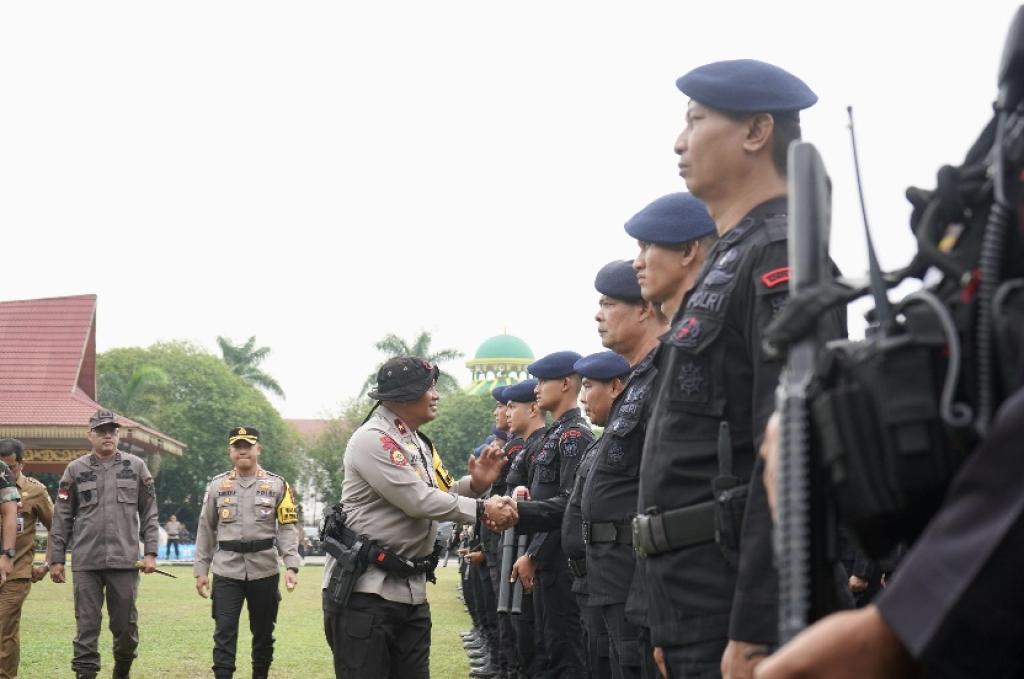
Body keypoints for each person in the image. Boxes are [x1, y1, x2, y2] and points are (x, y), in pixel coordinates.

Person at [637, 59, 846, 679]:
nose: (680, 141)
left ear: (757, 131)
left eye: (697, 121)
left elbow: (789, 455)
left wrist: (756, 623)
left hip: (736, 597)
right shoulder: (732, 259)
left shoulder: (780, 256)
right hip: (693, 596)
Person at [322, 356, 506, 679]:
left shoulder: (416, 441)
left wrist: (475, 485)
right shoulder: (373, 439)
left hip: (409, 592)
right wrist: (480, 509)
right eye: (429, 388)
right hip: (365, 595)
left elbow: (440, 492)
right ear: (404, 397)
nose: (435, 395)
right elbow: (417, 500)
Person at [48, 409, 159, 679]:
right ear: (90, 435)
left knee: (125, 628)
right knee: (86, 627)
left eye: (112, 430)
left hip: (125, 560)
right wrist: (57, 558)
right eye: (101, 431)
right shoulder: (74, 470)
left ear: (118, 435)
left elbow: (149, 512)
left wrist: (151, 552)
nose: (107, 435)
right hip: (87, 561)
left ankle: (121, 672)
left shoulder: (135, 467)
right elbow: (62, 516)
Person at [193, 426, 301, 679]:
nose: (243, 451)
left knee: (263, 632)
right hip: (226, 569)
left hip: (265, 569)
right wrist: (201, 570)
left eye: (248, 446)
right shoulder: (217, 486)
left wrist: (292, 565)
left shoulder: (277, 484)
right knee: (224, 631)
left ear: (258, 449)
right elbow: (206, 529)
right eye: (237, 446)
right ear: (230, 451)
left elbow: (287, 527)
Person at [516, 350, 594, 679]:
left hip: (560, 562)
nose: (537, 387)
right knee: (547, 647)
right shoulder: (554, 435)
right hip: (547, 562)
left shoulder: (574, 436)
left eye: (544, 380)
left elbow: (569, 505)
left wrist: (533, 553)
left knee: (565, 652)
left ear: (565, 384)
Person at [0, 438, 53, 679]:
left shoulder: (35, 491)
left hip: (16, 573)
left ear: (21, 464)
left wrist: (47, 563)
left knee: (4, 630)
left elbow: (58, 528)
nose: (5, 472)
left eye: (9, 467)